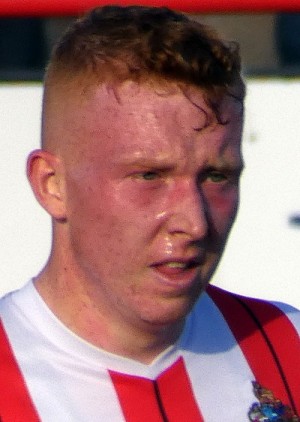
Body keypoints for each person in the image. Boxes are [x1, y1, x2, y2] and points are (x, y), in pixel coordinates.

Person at [0, 5, 299, 422]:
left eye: (216, 176)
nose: (193, 223)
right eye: (149, 176)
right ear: (52, 184)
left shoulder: (289, 346)